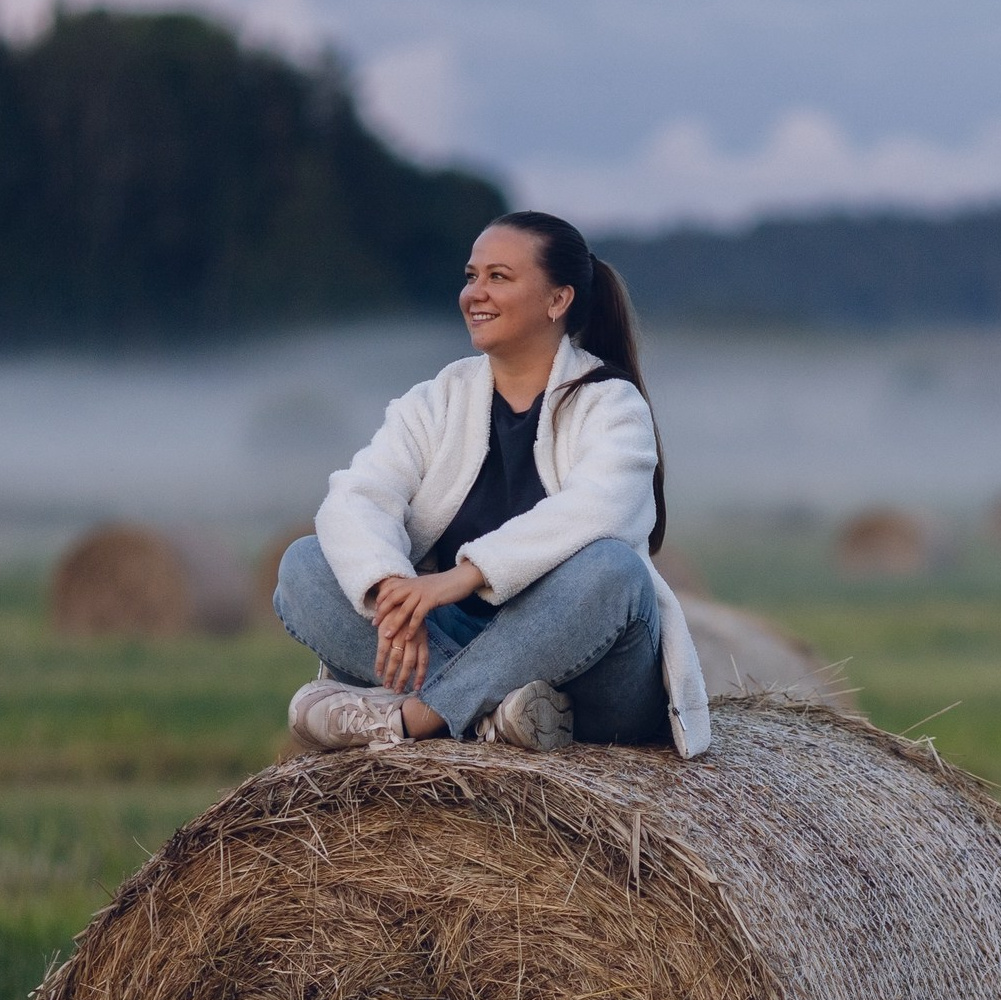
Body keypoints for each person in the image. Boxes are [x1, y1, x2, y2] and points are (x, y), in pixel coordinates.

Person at [273, 211, 710, 757]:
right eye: (471, 275)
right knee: (304, 566)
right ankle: (494, 716)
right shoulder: (436, 400)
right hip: (448, 641)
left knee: (612, 570)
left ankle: (417, 718)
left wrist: (457, 579)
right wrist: (392, 591)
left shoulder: (611, 404)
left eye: (498, 277)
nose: (474, 293)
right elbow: (356, 497)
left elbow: (597, 510)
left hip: (590, 673)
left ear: (558, 301)